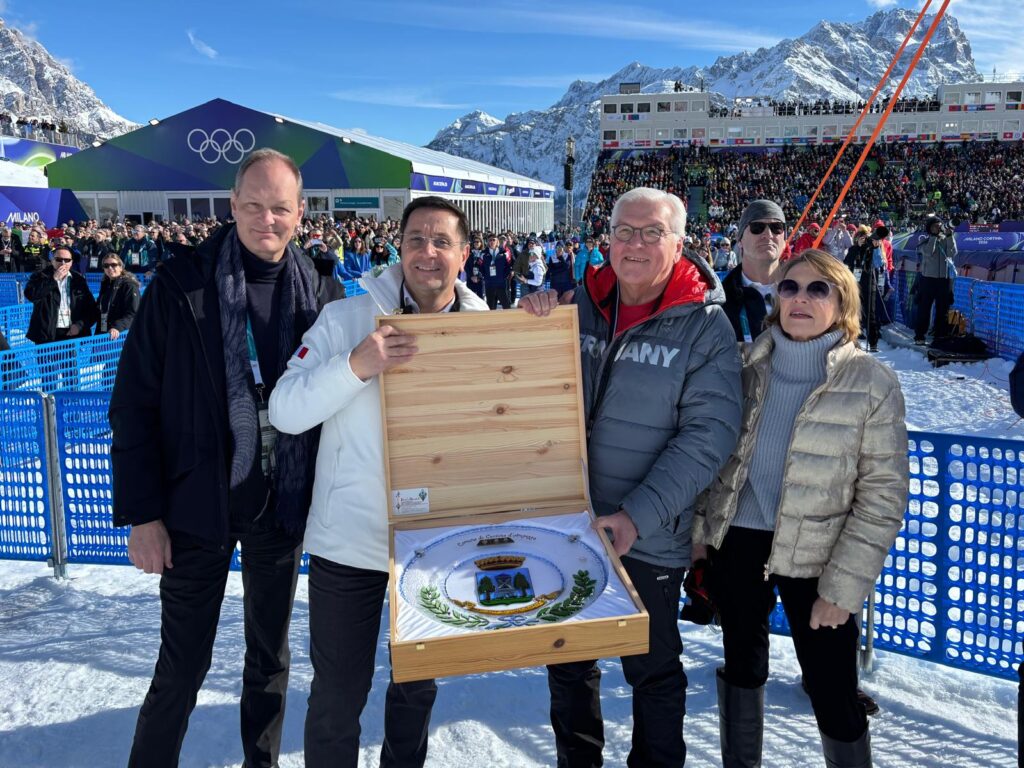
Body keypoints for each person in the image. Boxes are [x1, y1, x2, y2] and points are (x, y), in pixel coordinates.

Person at [109, 148, 341, 768]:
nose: (268, 219)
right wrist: (142, 514)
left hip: (281, 507)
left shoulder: (321, 287)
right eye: (255, 205)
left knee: (270, 661)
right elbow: (133, 403)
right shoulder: (182, 284)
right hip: (195, 508)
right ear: (233, 205)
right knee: (181, 668)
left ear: (300, 214)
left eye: (281, 208)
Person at [522, 187, 743, 768]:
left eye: (652, 232)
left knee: (651, 671)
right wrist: (535, 319)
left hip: (647, 534)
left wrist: (636, 516)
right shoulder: (583, 306)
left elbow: (708, 437)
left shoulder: (704, 327)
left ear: (679, 243)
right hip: (570, 522)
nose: (636, 243)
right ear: (607, 238)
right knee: (568, 663)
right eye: (625, 231)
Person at [269, 196, 489, 768]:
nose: (428, 253)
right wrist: (355, 366)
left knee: (415, 692)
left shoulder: (486, 330)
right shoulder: (346, 320)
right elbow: (286, 409)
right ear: (399, 247)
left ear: (464, 255)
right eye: (416, 239)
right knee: (338, 697)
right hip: (350, 546)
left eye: (442, 241)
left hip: (435, 549)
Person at [694, 249, 909, 768]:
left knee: (833, 689)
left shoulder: (872, 382)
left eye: (819, 289)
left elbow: (882, 498)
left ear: (843, 303)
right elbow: (713, 456)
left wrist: (843, 588)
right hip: (739, 543)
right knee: (741, 669)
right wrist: (701, 535)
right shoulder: (745, 367)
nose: (801, 299)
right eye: (790, 288)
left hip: (819, 558)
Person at [722, 200, 787, 344]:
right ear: (740, 241)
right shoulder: (720, 301)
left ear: (785, 241)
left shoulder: (806, 292)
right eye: (757, 227)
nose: (768, 234)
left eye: (776, 228)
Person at [914, 215, 957, 345]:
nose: (938, 228)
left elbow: (952, 253)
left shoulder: (946, 239)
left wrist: (950, 236)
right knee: (924, 309)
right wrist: (933, 237)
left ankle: (940, 336)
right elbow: (928, 252)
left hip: (943, 280)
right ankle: (920, 335)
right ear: (929, 228)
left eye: (939, 225)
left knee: (942, 310)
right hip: (928, 280)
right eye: (935, 226)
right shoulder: (925, 242)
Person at [95, 254, 140, 339]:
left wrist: (117, 327)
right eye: (106, 266)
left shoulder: (129, 286)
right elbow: (101, 310)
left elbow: (133, 313)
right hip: (104, 333)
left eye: (114, 265)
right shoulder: (105, 284)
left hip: (121, 335)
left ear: (120, 267)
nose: (110, 268)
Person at [480, 233, 513, 309]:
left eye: (493, 240)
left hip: (501, 283)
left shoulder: (504, 253)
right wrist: (485, 276)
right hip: (489, 283)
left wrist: (504, 276)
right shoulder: (483, 254)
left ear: (497, 241)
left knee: (506, 305)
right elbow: (480, 266)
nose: (492, 242)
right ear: (487, 242)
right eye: (490, 240)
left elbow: (509, 265)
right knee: (491, 306)